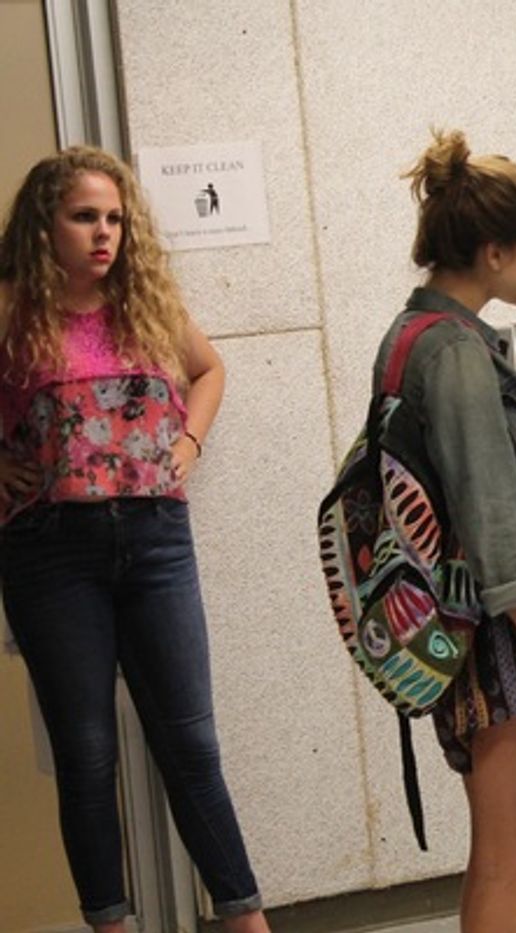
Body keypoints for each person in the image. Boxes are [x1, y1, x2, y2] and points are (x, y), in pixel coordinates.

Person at [0, 147, 268, 931]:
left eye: (114, 217)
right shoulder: (14, 308)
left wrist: (188, 444)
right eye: (85, 216)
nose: (103, 233)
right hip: (51, 552)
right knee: (86, 755)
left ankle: (245, 918)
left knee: (190, 744)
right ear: (44, 224)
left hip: (157, 542)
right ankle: (111, 924)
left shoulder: (145, 305)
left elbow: (208, 370)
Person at [375, 128, 516, 932]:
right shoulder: (458, 352)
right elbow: (499, 531)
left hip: (474, 626)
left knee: (499, 863)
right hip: (515, 633)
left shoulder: (411, 336)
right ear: (492, 249)